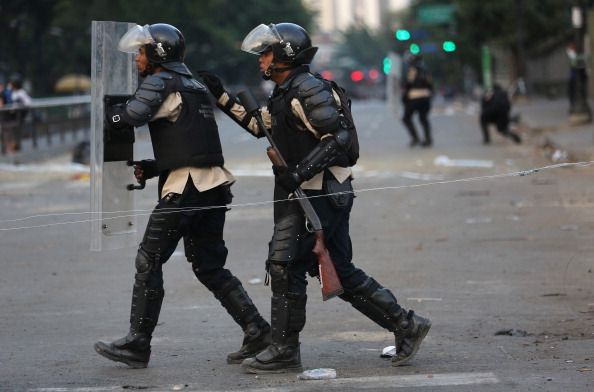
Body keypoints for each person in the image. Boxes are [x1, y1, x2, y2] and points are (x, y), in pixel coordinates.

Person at [198, 22, 431, 374]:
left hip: (318, 192)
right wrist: (221, 95)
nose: (261, 59)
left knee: (284, 263)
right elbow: (259, 126)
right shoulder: (285, 91)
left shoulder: (308, 89)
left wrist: (299, 172)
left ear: (285, 55)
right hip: (313, 191)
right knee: (338, 270)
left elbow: (337, 139)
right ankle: (406, 324)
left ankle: (284, 348)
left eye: (266, 53)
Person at [94, 23, 270, 369]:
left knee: (149, 258)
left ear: (158, 54)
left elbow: (130, 116)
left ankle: (137, 343)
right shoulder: (193, 84)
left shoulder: (161, 81)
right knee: (209, 266)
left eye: (142, 52)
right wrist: (157, 166)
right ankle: (257, 328)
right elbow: (192, 143)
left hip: (187, 190)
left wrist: (108, 110)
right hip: (214, 186)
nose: (137, 59)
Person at [401, 54, 433, 147]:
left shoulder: (413, 69)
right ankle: (428, 139)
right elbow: (431, 84)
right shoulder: (426, 70)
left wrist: (405, 95)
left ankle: (415, 138)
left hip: (414, 97)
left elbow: (409, 83)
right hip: (426, 97)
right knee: (424, 119)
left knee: (406, 118)